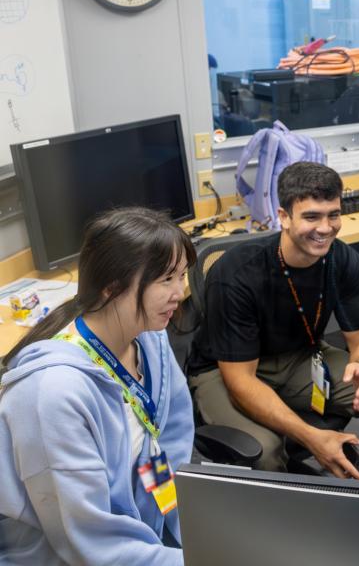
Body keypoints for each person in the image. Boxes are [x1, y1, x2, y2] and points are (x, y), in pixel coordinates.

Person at [186, 161, 359, 482]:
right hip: (226, 371)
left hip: (300, 355)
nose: (325, 228)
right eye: (311, 217)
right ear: (284, 218)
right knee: (264, 448)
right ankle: (284, 528)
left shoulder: (341, 259)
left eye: (333, 214)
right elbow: (241, 383)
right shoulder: (236, 274)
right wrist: (311, 437)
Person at [0, 207, 196, 565]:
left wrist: (197, 531)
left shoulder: (149, 338)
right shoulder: (52, 393)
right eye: (166, 280)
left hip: (144, 527)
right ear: (112, 286)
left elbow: (168, 444)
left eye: (182, 276)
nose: (180, 293)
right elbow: (88, 543)